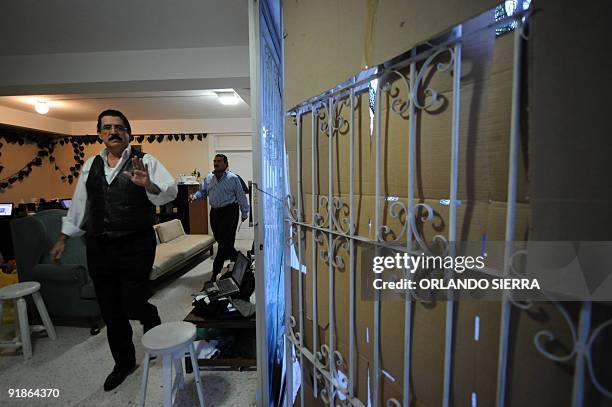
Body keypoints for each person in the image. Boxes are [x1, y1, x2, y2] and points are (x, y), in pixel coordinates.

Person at [50, 109, 177, 392]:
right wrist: (63, 238)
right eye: (107, 128)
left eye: (119, 127)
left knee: (133, 303)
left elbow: (170, 192)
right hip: (99, 247)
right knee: (110, 309)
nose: (113, 132)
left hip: (136, 244)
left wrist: (149, 184)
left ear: (129, 133)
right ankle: (123, 363)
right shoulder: (90, 165)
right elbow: (80, 206)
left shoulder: (145, 161)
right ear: (100, 134)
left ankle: (149, 315)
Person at [190, 154, 249, 283]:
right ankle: (241, 260)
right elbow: (203, 192)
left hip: (230, 211)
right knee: (221, 240)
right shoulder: (209, 178)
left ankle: (215, 272)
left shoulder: (233, 178)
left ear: (225, 163)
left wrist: (245, 212)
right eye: (215, 161)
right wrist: (195, 196)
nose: (216, 163)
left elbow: (241, 196)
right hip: (215, 212)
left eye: (219, 161)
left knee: (223, 243)